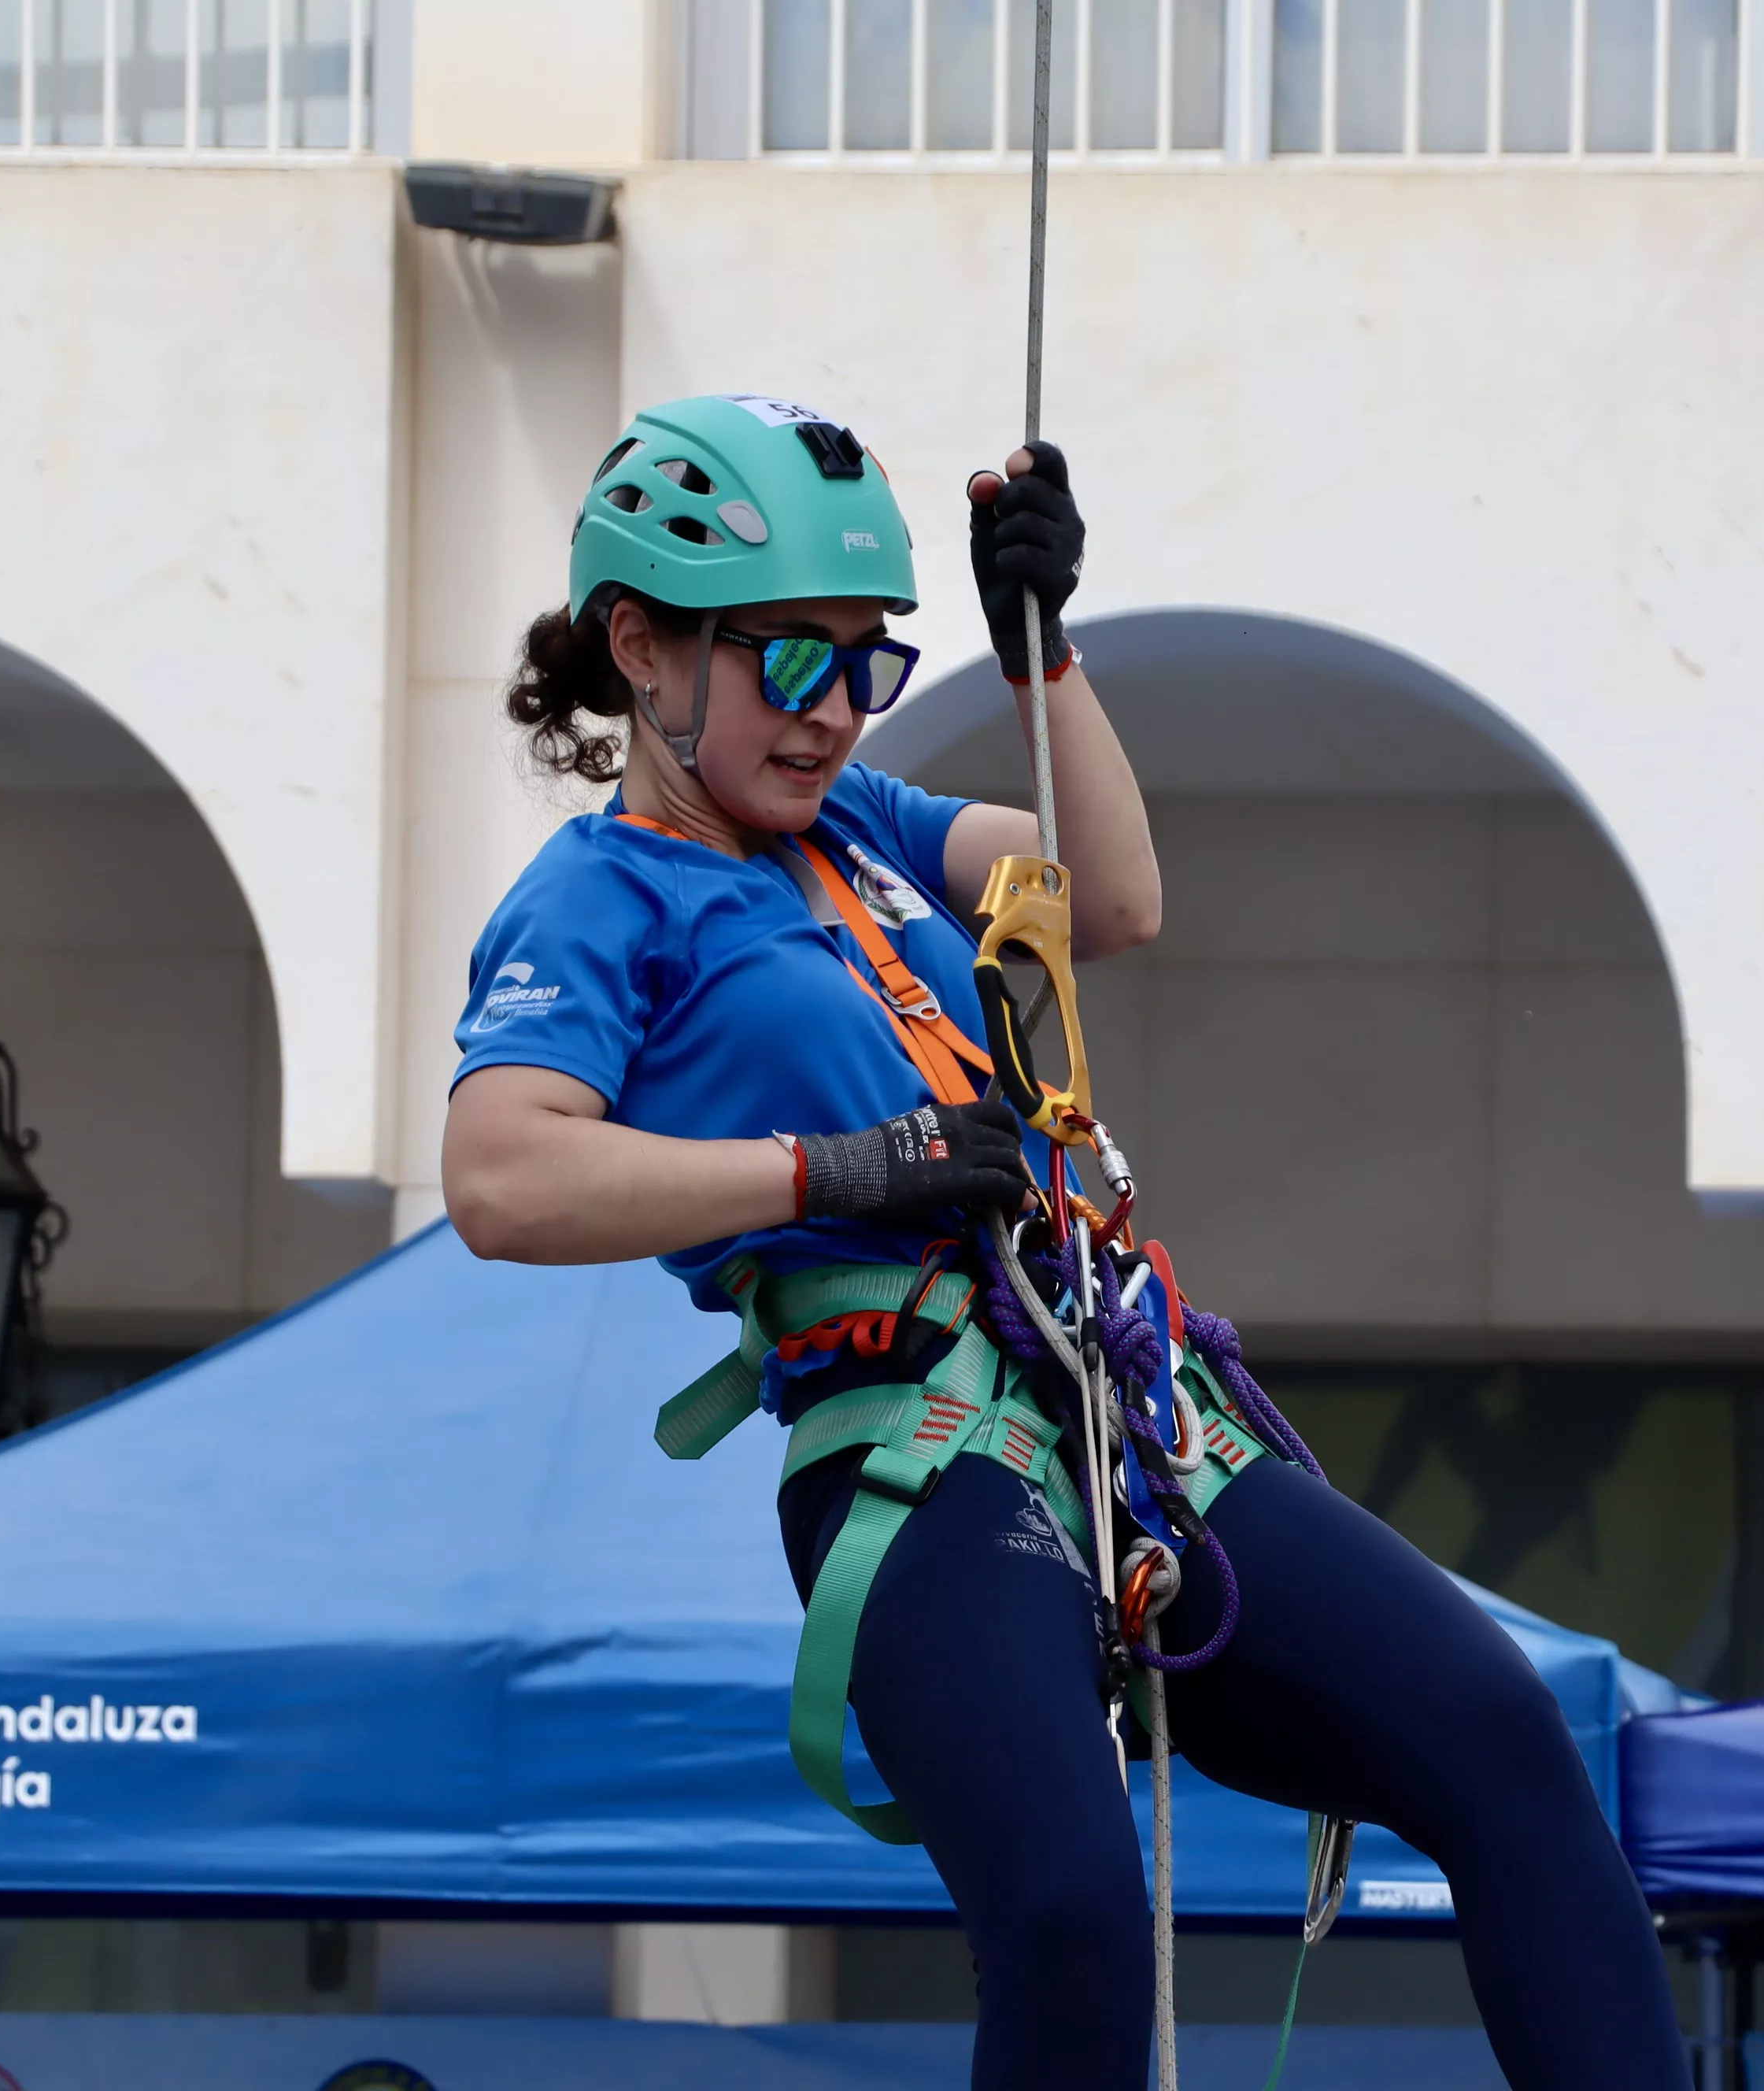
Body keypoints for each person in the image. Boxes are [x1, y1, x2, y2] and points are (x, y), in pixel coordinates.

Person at [441, 393, 1690, 2090]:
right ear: (643, 648)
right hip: (916, 1440)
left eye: (861, 661)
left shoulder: (864, 831)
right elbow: (502, 1176)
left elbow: (1110, 896)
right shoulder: (600, 898)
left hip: (1125, 1402)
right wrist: (831, 1169)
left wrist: (1045, 652)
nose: (829, 713)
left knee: (1503, 1740)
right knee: (1073, 1909)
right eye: (785, 664)